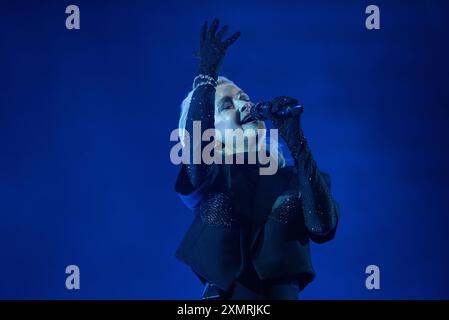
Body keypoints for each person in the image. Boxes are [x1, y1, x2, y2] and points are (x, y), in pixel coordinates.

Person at [174, 19, 340, 300]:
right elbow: (197, 148)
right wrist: (206, 76)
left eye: (244, 98)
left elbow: (323, 227)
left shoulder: (294, 178)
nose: (244, 105)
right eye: (227, 105)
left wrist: (296, 140)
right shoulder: (210, 176)